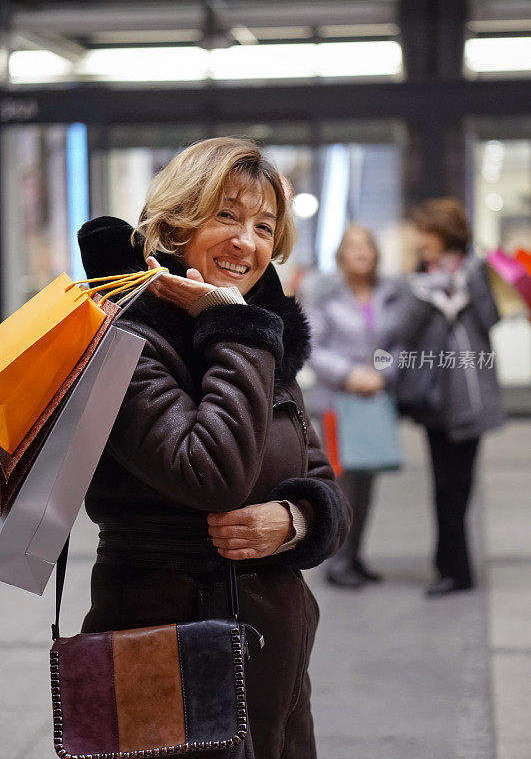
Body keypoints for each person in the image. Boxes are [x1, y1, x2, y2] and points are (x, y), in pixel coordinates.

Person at [77, 137, 351, 759]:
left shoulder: (259, 341)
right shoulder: (126, 342)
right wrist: (237, 328)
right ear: (176, 223)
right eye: (225, 215)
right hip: (161, 652)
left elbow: (326, 486)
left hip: (272, 667)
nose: (246, 243)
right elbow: (211, 474)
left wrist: (296, 517)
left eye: (263, 226)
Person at [395, 198, 505, 596]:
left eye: (429, 233)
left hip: (471, 399)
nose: (423, 241)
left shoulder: (476, 271)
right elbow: (402, 329)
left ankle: (456, 571)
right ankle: (451, 568)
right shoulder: (418, 279)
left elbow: (491, 318)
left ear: (445, 235)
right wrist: (427, 294)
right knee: (443, 487)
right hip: (435, 400)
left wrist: (472, 282)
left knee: (459, 488)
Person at [305, 225, 401, 589]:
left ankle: (356, 556)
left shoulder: (388, 294)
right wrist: (350, 375)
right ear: (341, 255)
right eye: (352, 246)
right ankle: (338, 562)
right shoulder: (326, 296)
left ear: (376, 253)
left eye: (367, 244)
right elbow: (313, 347)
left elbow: (398, 344)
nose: (361, 251)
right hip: (338, 405)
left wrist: (383, 375)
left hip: (374, 402)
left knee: (367, 481)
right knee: (343, 484)